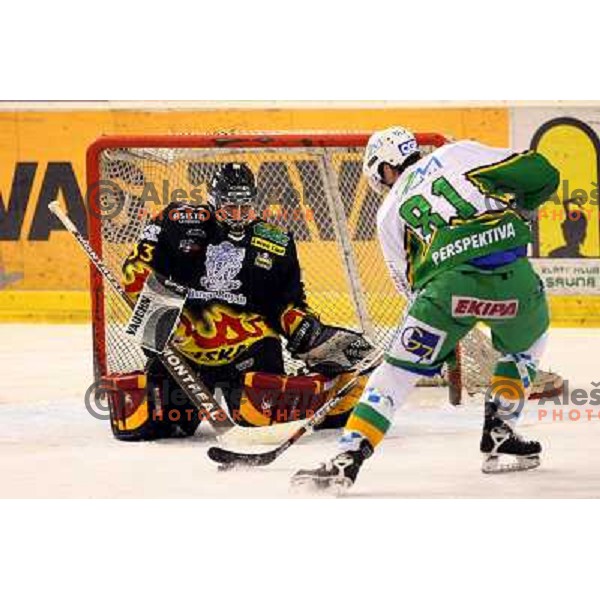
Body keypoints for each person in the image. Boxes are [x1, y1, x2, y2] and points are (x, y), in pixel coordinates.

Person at [291, 126, 560, 490]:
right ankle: (501, 429)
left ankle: (347, 457)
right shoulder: (457, 153)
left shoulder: (387, 211)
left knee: (396, 375)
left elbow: (408, 286)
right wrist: (524, 209)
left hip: (445, 293)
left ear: (383, 168)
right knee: (527, 343)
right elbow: (542, 172)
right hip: (515, 282)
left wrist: (435, 333)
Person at [106, 162, 372, 441]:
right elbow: (135, 273)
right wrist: (159, 319)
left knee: (263, 423)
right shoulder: (178, 221)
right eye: (230, 206)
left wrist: (304, 329)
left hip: (249, 348)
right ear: (213, 199)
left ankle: (333, 386)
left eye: (245, 207)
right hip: (186, 350)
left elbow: (287, 303)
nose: (238, 215)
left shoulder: (276, 243)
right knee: (146, 426)